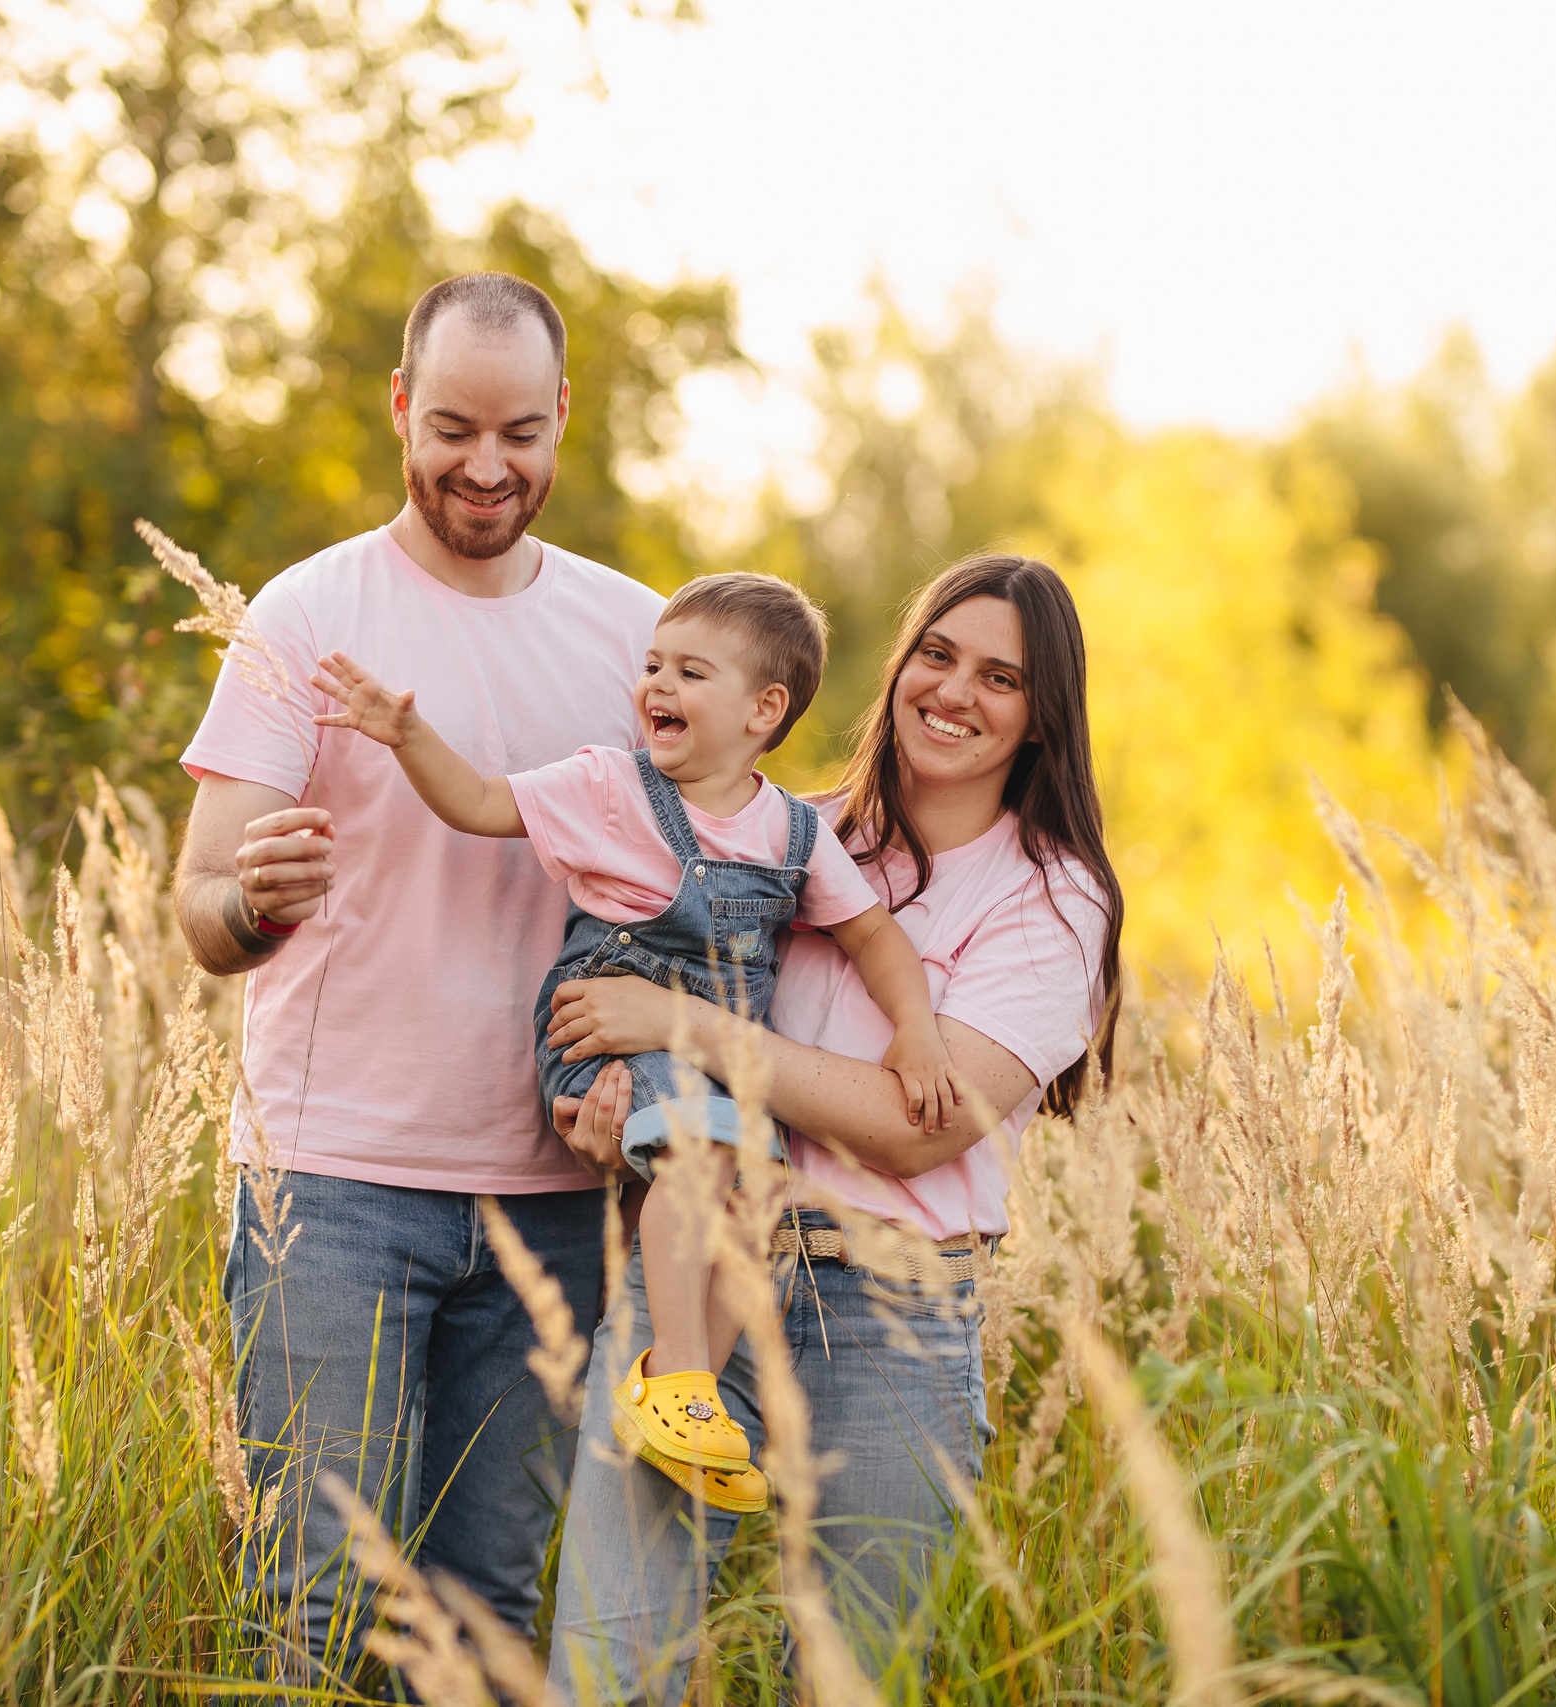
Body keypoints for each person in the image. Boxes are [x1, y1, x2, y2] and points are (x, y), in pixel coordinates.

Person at [170, 272, 662, 1685]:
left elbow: (704, 887)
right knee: (314, 1609)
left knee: (485, 1618)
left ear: (564, 416)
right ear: (400, 407)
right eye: (452, 426)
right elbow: (196, 911)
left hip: (554, 1199)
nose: (487, 466)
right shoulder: (305, 611)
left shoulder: (639, 638)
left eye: (520, 431)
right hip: (331, 1190)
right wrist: (250, 904)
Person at [538, 553, 1126, 1705]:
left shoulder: (1051, 898)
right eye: (936, 654)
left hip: (889, 1324)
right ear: (897, 666)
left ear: (1041, 715)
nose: (953, 691)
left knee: (851, 1685)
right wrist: (610, 1100)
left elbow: (921, 1127)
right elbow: (625, 991)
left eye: (998, 677)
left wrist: (681, 1025)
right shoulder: (776, 833)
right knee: (611, 1675)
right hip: (703, 1283)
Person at [305, 571, 964, 1516]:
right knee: (700, 1153)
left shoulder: (796, 833)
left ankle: (680, 1393)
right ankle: (684, 1381)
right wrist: (410, 735)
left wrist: (918, 1034)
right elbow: (483, 803)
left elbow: (875, 938)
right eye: (652, 664)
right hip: (603, 1031)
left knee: (761, 1193)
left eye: (691, 671)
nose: (657, 685)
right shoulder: (610, 786)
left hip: (711, 1057)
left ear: (764, 709)